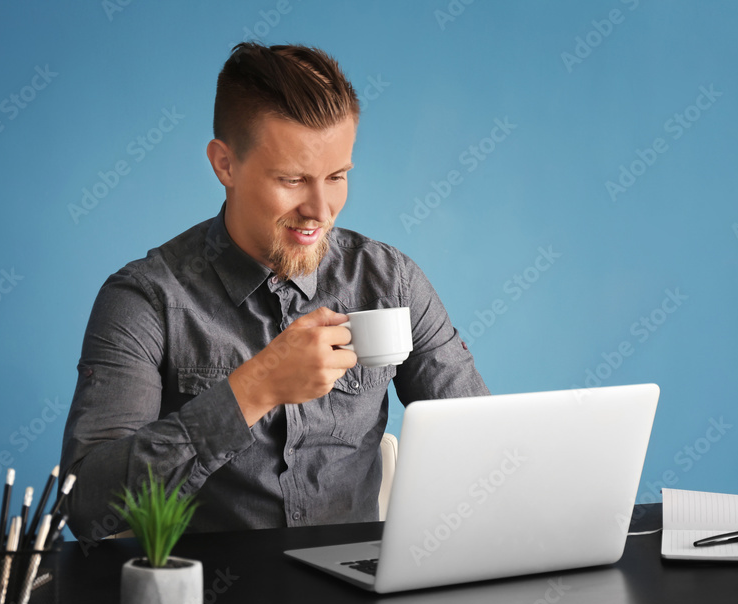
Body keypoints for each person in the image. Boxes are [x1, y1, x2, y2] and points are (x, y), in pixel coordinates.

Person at [60, 42, 488, 543]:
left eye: (337, 177)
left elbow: (478, 447)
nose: (321, 210)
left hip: (358, 603)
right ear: (225, 165)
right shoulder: (145, 299)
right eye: (292, 179)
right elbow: (88, 506)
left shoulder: (390, 281)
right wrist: (253, 389)